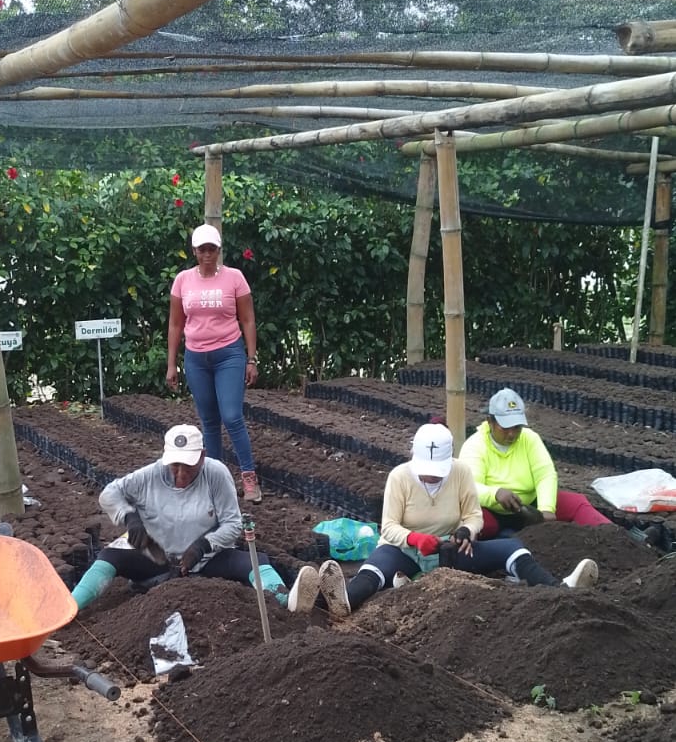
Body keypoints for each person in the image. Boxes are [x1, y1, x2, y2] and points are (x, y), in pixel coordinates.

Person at [287, 423, 599, 619]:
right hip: (404, 550)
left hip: (450, 549)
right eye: (426, 472)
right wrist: (415, 539)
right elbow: (389, 527)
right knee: (375, 571)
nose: (431, 477)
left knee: (511, 548)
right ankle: (337, 602)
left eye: (437, 473)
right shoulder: (399, 477)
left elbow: (474, 515)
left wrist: (467, 530)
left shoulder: (461, 472)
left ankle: (559, 588)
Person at [70, 424, 286, 612]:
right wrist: (130, 518)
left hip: (207, 559)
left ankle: (286, 602)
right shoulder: (150, 475)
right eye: (175, 465)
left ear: (202, 456)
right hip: (160, 559)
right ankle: (70, 608)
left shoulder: (216, 474)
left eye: (189, 466)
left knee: (255, 562)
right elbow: (109, 494)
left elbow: (232, 523)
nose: (181, 474)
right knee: (110, 556)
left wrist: (203, 545)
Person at [167, 223, 262, 503]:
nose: (207, 254)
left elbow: (248, 320)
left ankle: (249, 478)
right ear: (194, 251)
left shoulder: (234, 278)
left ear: (219, 250)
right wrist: (171, 363)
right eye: (202, 249)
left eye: (212, 249)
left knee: (232, 416)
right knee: (209, 421)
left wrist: (251, 358)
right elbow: (175, 324)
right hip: (196, 358)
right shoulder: (183, 280)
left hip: (229, 354)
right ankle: (216, 482)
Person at [460, 388, 613, 536]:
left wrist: (546, 508)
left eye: (517, 427)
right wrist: (495, 494)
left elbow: (545, 474)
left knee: (577, 503)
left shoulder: (529, 438)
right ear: (490, 422)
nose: (512, 434)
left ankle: (613, 534)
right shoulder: (475, 445)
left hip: (531, 507)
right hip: (492, 510)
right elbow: (470, 487)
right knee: (475, 523)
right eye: (505, 427)